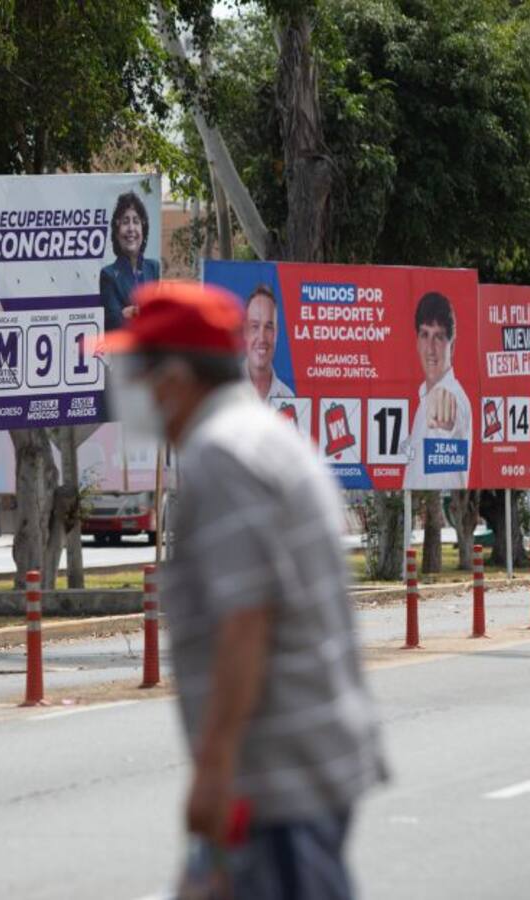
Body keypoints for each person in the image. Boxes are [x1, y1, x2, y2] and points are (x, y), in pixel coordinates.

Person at [97, 281, 386, 897]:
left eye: (139, 373)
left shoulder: (221, 456)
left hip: (275, 779)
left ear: (175, 378)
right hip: (295, 763)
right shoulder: (259, 435)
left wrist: (215, 773)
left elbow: (245, 622)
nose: (133, 391)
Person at [403, 292, 472, 489]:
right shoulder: (424, 398)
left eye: (439, 337)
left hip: (441, 515)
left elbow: (450, 416)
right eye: (425, 335)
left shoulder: (453, 397)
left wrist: (447, 420)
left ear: (453, 345)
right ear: (417, 341)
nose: (430, 349)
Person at [99, 191, 160, 332]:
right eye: (125, 222)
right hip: (124, 351)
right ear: (117, 231)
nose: (131, 229)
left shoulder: (154, 268)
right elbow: (113, 324)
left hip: (150, 351)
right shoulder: (108, 275)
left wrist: (129, 312)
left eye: (136, 222)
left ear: (143, 230)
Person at [244, 284, 294, 401]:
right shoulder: (226, 393)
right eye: (255, 326)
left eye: (268, 327)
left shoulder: (288, 398)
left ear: (276, 333)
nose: (261, 338)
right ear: (245, 331)